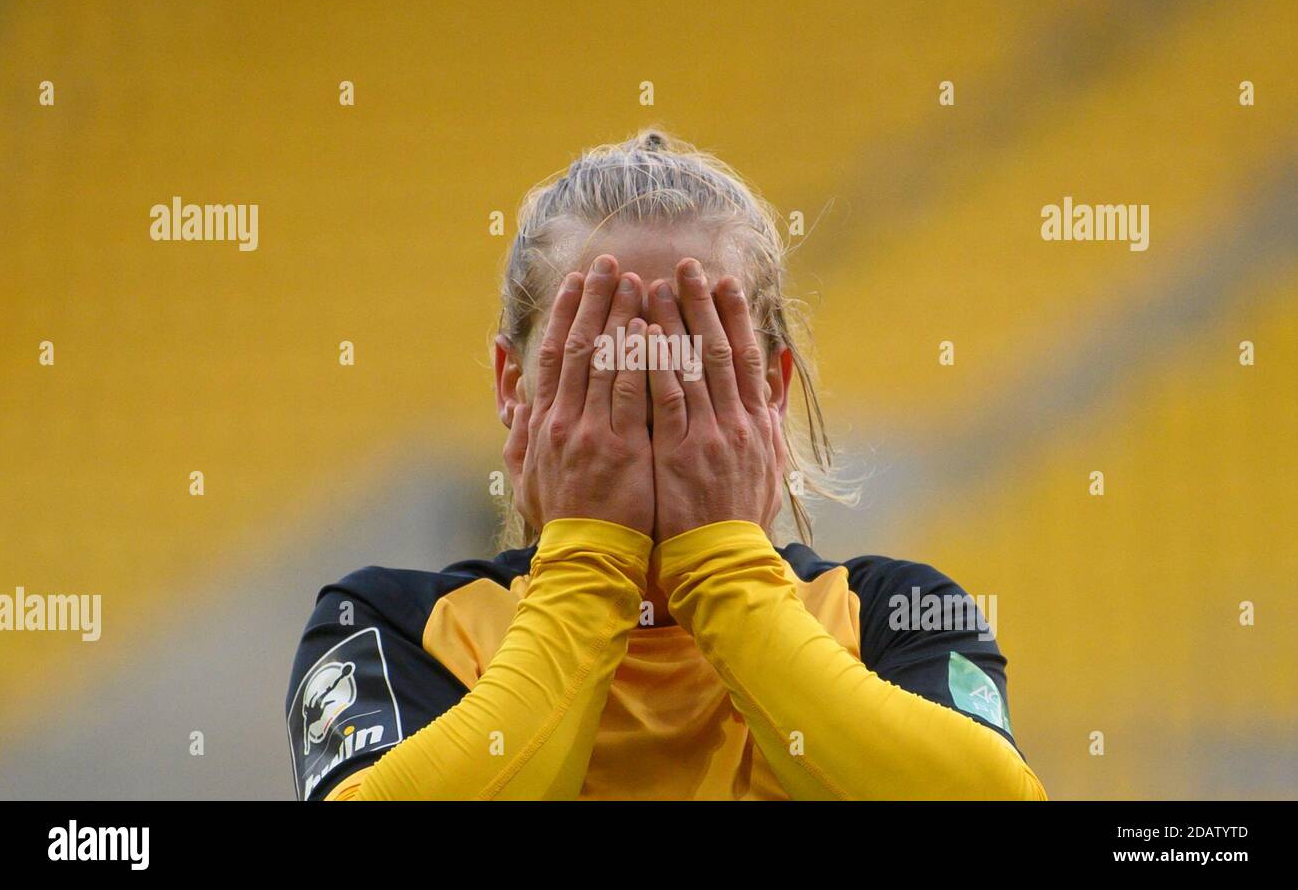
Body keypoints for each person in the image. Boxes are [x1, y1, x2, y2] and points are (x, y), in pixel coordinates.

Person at [285, 130, 1047, 801]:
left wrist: (722, 568)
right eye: (598, 355)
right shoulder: (391, 623)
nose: (648, 397)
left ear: (769, 387)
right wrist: (588, 561)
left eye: (693, 351)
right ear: (512, 387)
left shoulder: (885, 615)